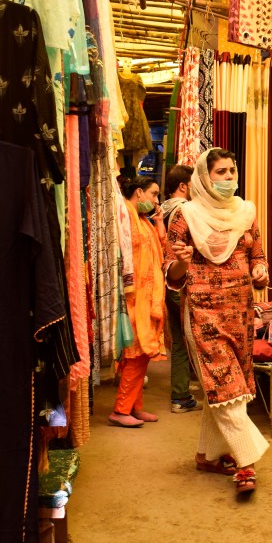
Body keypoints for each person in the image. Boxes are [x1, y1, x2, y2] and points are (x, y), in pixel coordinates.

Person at [164, 148, 270, 496]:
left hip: (240, 313)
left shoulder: (246, 212)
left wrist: (259, 272)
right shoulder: (185, 215)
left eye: (231, 171)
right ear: (204, 177)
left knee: (224, 386)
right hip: (202, 313)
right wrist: (181, 262)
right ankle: (246, 461)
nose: (228, 178)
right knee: (227, 386)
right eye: (220, 172)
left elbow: (258, 255)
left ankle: (208, 455)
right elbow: (173, 273)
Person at [108, 176, 166, 428]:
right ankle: (121, 409)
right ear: (139, 192)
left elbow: (160, 248)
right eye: (154, 195)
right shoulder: (125, 213)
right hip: (133, 298)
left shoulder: (144, 220)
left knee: (141, 355)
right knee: (134, 354)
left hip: (145, 297)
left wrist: (160, 221)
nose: (156, 201)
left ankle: (134, 407)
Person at [161, 164, 200, 413]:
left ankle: (180, 396)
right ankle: (185, 394)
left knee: (178, 339)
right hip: (183, 279)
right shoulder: (184, 211)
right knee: (191, 338)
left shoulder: (162, 210)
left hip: (168, 277)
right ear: (184, 186)